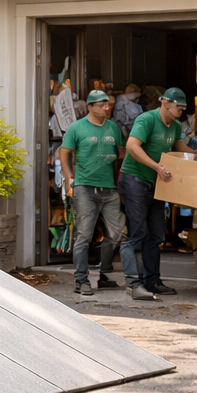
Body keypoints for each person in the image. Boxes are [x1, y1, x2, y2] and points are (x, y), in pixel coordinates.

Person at [118, 88, 194, 300]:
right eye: (179, 106)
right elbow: (132, 146)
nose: (182, 109)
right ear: (165, 103)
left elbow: (178, 146)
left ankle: (152, 280)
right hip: (134, 180)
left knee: (157, 234)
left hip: (155, 185)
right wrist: (157, 167)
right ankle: (134, 284)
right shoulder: (147, 119)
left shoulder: (176, 126)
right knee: (138, 234)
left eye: (183, 106)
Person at [58, 90, 126, 296]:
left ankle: (104, 273)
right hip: (85, 188)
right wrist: (70, 177)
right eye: (102, 105)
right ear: (90, 107)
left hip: (109, 189)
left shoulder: (113, 127)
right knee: (84, 236)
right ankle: (81, 280)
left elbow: (121, 151)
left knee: (117, 233)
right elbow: (64, 153)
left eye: (108, 104)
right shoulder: (76, 128)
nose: (107, 108)